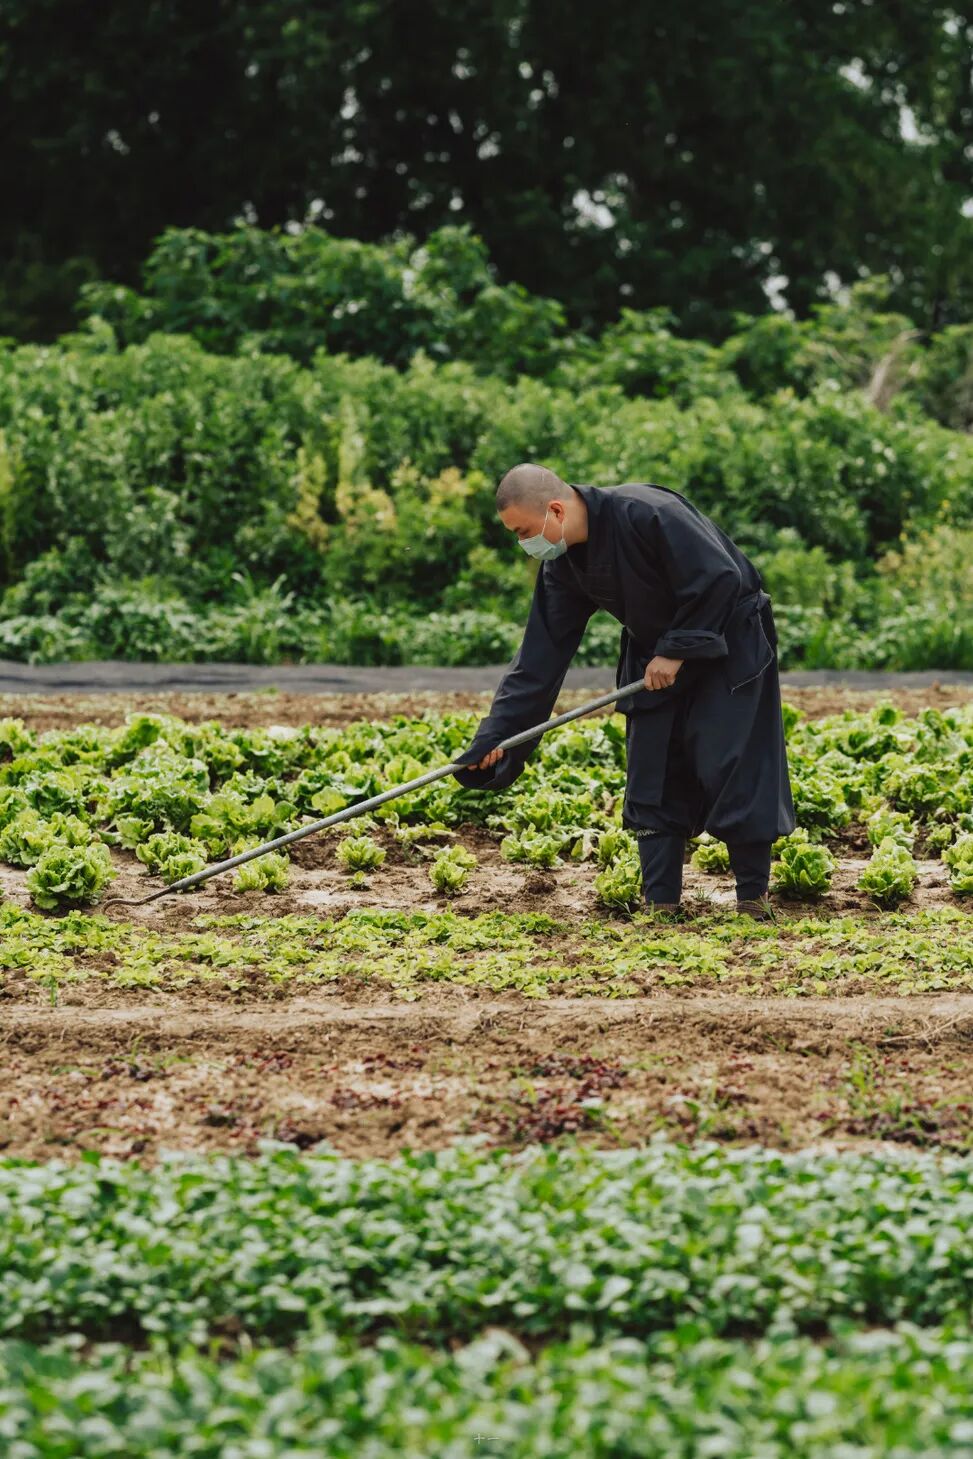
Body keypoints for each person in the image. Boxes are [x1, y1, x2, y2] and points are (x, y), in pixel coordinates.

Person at [450, 463, 797, 920]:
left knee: (733, 763)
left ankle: (752, 900)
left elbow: (719, 576)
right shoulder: (564, 565)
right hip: (652, 652)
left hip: (728, 641)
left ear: (555, 510)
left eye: (524, 531)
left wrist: (677, 649)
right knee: (653, 769)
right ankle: (661, 905)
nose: (524, 545)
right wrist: (495, 737)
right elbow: (538, 659)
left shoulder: (647, 511)